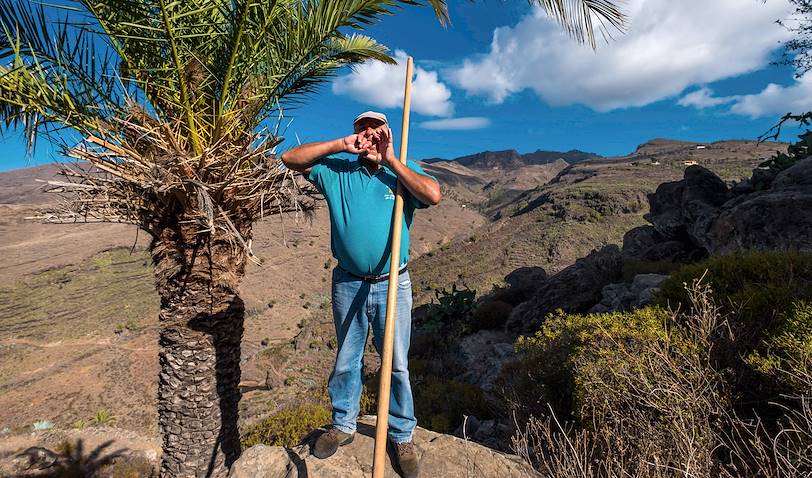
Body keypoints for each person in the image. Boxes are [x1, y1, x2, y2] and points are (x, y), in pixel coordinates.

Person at [280, 111, 441, 477]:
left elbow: (433, 195)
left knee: (396, 362)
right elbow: (290, 159)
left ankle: (401, 434)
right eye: (361, 129)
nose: (368, 134)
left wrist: (392, 161)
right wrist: (341, 145)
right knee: (347, 358)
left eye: (375, 129)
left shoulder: (401, 171)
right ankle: (344, 425)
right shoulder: (337, 170)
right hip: (348, 281)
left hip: (392, 283)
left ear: (386, 133)